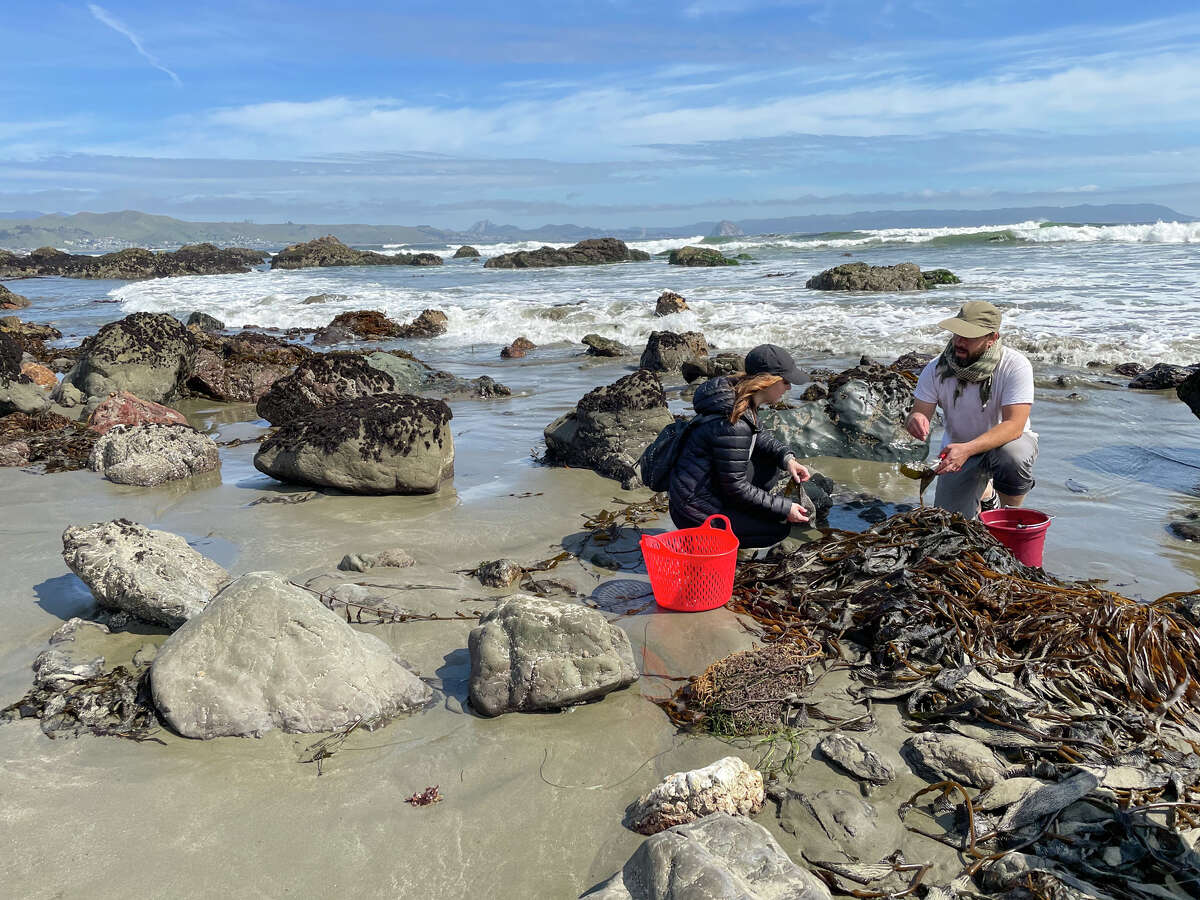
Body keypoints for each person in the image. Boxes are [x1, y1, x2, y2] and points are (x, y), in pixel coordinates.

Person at [668, 344, 812, 548]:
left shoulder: (739, 396)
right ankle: (706, 542)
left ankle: (738, 516)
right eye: (786, 381)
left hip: (701, 491)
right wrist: (784, 508)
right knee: (778, 528)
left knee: (770, 467)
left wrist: (787, 459)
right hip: (693, 511)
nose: (789, 388)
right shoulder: (733, 422)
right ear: (767, 381)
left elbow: (758, 434)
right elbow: (736, 487)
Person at [905, 301, 1038, 517]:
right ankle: (987, 494)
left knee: (1014, 455)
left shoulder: (1015, 365)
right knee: (952, 521)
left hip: (1003, 445)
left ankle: (1007, 515)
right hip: (956, 451)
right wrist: (916, 419)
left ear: (992, 338)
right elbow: (919, 411)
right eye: (957, 333)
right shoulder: (936, 368)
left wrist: (968, 449)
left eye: (969, 336)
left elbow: (1014, 426)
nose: (959, 341)